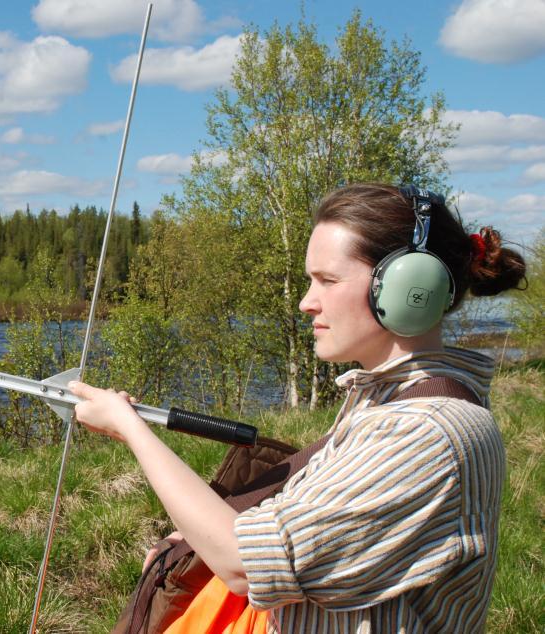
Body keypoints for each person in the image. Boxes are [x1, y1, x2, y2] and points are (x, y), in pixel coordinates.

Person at [69, 183, 526, 633]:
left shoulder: (427, 433)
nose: (307, 302)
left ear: (411, 287)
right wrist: (194, 538)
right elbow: (310, 524)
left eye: (327, 280)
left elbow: (244, 564)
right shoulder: (382, 402)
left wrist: (132, 430)